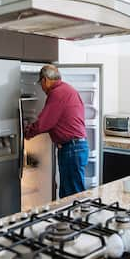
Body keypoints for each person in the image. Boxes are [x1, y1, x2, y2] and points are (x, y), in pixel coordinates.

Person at [24, 64, 89, 198]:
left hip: (72, 149)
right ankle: (68, 219)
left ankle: (77, 219)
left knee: (73, 196)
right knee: (68, 194)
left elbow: (44, 123)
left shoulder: (57, 93)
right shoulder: (67, 89)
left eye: (41, 84)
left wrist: (26, 133)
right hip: (76, 147)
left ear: (45, 80)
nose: (42, 89)